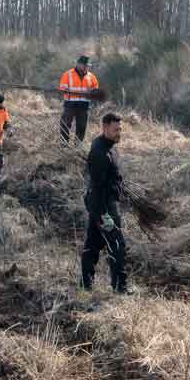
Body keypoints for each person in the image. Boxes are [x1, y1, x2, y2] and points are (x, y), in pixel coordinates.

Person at [81, 111, 128, 293]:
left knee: (92, 244)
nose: (119, 133)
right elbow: (98, 186)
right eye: (116, 129)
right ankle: (120, 287)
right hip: (103, 204)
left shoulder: (109, 147)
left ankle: (85, 284)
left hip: (101, 203)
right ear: (105, 127)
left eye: (120, 129)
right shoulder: (99, 152)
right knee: (117, 245)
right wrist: (104, 214)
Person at [58, 55, 100, 143]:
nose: (86, 67)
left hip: (84, 106)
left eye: (87, 66)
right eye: (85, 65)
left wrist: (94, 92)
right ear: (78, 64)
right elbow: (62, 89)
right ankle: (63, 145)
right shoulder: (67, 74)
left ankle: (77, 147)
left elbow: (95, 89)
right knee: (65, 125)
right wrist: (66, 91)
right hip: (70, 104)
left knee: (81, 127)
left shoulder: (91, 77)